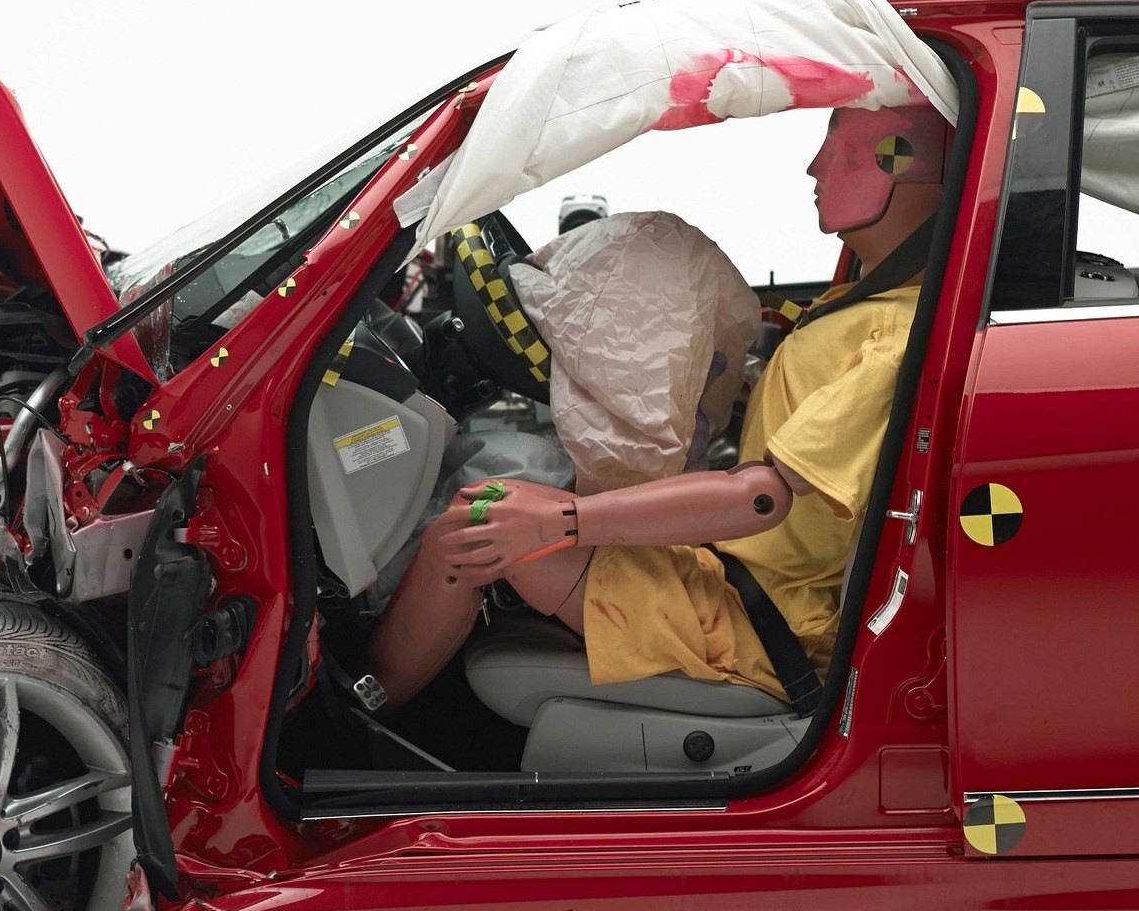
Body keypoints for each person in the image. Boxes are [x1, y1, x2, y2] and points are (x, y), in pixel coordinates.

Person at [363, 103, 948, 711]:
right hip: (737, 579)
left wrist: (563, 521)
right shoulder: (860, 304)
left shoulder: (891, 337)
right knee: (517, 495)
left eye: (841, 151)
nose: (813, 168)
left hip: (758, 620)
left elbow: (762, 497)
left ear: (897, 166)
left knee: (474, 524)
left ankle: (357, 717)